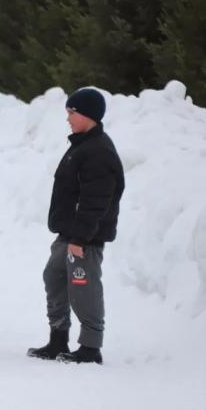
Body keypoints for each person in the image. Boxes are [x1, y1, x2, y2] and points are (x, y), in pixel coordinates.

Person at [27, 88, 124, 365]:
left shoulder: (99, 151)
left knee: (83, 286)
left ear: (88, 115)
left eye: (72, 112)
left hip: (84, 238)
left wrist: (80, 238)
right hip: (69, 233)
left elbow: (96, 201)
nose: (68, 118)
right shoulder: (82, 145)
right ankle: (58, 338)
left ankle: (90, 347)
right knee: (54, 277)